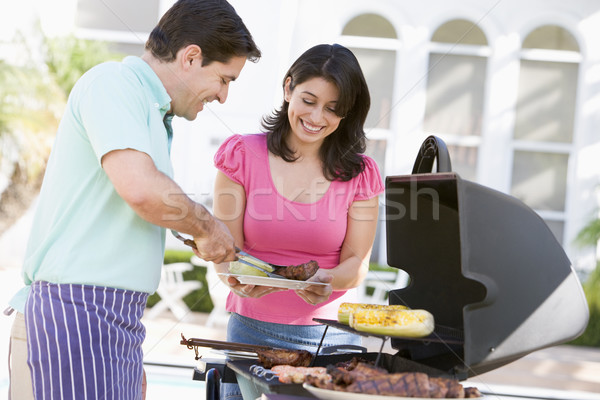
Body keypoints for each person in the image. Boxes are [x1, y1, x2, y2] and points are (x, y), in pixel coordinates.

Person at [5, 0, 261, 399]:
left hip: (109, 321)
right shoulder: (113, 83)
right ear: (191, 57)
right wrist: (208, 226)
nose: (223, 97)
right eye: (224, 79)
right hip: (76, 317)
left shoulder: (151, 111)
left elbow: (131, 214)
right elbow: (142, 190)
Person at [213, 43, 384, 399]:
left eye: (333, 109)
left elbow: (357, 265)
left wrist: (326, 279)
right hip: (250, 330)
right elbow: (226, 250)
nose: (317, 117)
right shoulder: (241, 155)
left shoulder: (361, 173)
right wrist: (234, 278)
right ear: (288, 87)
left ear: (347, 113)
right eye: (309, 100)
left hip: (331, 337)